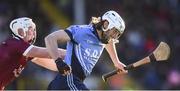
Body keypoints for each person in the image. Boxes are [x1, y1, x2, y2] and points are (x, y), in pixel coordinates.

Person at [45, 10, 128, 90]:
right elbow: (50, 38)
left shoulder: (104, 38)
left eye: (117, 34)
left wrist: (116, 62)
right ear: (105, 24)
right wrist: (58, 61)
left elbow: (109, 43)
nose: (113, 37)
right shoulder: (81, 32)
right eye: (114, 32)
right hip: (67, 80)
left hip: (73, 83)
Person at [0, 17, 66, 90]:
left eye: (34, 30)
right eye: (30, 29)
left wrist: (67, 65)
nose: (33, 33)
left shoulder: (22, 49)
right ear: (21, 32)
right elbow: (49, 53)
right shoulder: (16, 44)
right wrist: (74, 52)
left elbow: (51, 65)